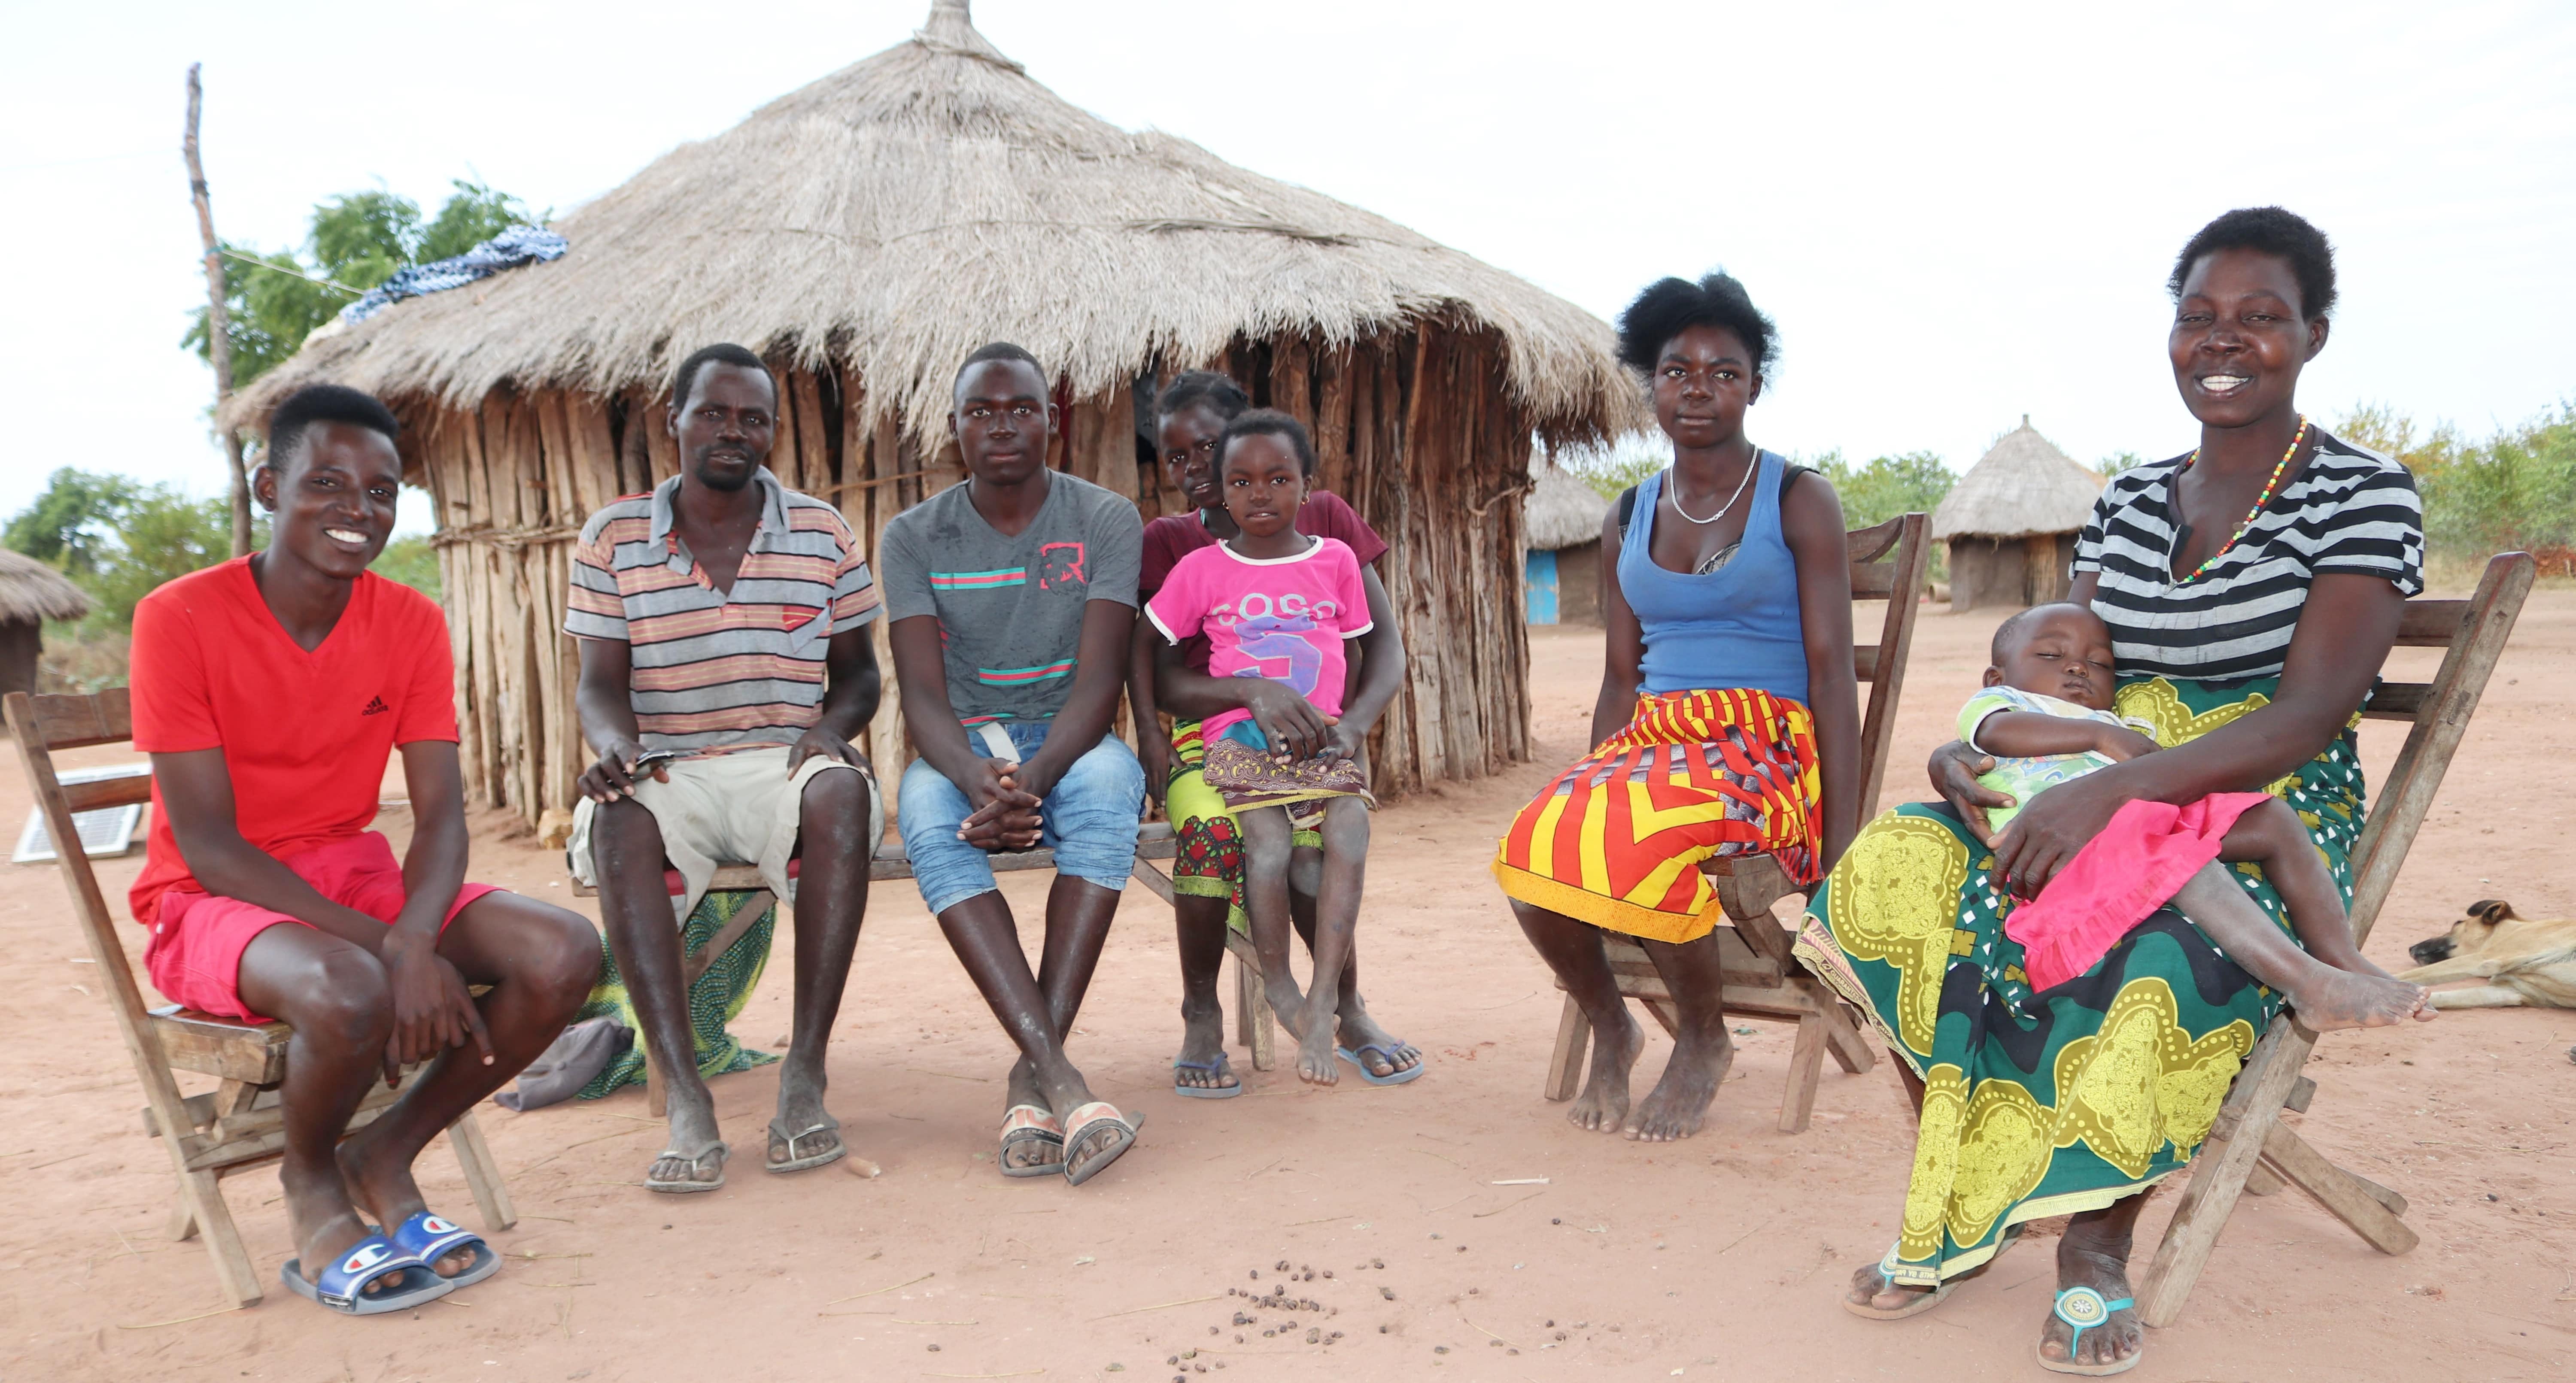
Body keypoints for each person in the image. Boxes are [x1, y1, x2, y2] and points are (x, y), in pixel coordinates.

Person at [1807, 208, 2424, 1375]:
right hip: (2096, 766)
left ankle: (2093, 1247)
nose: (2223, 340)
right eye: (2198, 316)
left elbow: (2304, 716)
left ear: (2316, 334)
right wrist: (1975, 764)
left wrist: (2114, 794)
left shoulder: (2362, 491)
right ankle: (1973, 1184)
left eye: (2261, 316)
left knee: (2133, 941)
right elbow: (2064, 657)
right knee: (1901, 868)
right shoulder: (2132, 498)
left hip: (2259, 795)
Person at [131, 383, 598, 1313]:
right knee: (352, 988)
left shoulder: (410, 622)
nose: (359, 510)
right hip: (211, 899)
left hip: (353, 881)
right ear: (269, 486)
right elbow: (214, 848)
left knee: (563, 953)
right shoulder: (179, 618)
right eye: (328, 483)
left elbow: (441, 817)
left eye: (382, 492)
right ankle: (311, 1187)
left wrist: (414, 936)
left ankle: (385, 1150)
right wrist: (393, 949)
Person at [1492, 272, 1862, 1143]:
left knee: (1641, 841)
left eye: (1723, 371)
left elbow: (1833, 668)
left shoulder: (1799, 499)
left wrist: (1841, 846)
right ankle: (1613, 1022)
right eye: (1677, 370)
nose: (1698, 387)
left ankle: (1702, 1038)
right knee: (1530, 846)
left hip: (1763, 749)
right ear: (1652, 385)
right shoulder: (1630, 513)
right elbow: (1622, 677)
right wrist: (1587, 780)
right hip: (1656, 745)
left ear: (1754, 387)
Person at [566, 343, 884, 1194]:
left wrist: (832, 730)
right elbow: (598, 688)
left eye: (752, 418)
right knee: (618, 819)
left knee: (842, 794)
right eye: (713, 412)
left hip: (782, 760)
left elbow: (859, 676)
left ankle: (805, 1077)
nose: (732, 431)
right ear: (672, 419)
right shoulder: (615, 537)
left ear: (774, 433)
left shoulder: (821, 530)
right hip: (668, 765)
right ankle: (687, 1100)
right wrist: (616, 751)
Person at [880, 341, 1150, 1186]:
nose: (1003, 426)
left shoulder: (1103, 519)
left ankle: (1030, 1077)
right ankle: (1063, 1080)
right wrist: (974, 778)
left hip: (1066, 738)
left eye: (1021, 409)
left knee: (1110, 784)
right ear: (954, 428)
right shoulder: (914, 536)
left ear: (1052, 421)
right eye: (982, 412)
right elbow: (921, 694)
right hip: (961, 743)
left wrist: (1028, 784)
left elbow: (1100, 682)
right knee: (928, 818)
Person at [1127, 372, 1419, 1096]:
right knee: (1217, 837)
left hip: (1318, 740)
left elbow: (1381, 645)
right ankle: (1202, 1011)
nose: (1191, 471)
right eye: (1176, 458)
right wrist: (1244, 694)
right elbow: (1153, 663)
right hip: (1215, 737)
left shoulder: (1326, 528)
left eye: (1204, 449)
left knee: (1323, 844)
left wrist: (1349, 726)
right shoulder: (1172, 546)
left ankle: (1345, 1006)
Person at [1960, 602, 2430, 1025]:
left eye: (2100, 664)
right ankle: (2306, 985)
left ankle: (2342, 958)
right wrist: (2098, 739)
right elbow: (1999, 734)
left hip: (2135, 823)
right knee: (2178, 856)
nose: (2079, 668)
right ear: (1996, 677)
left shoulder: (2111, 721)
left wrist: (2114, 738)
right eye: (2050, 656)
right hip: (2068, 852)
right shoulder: (2004, 703)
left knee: (2272, 819)